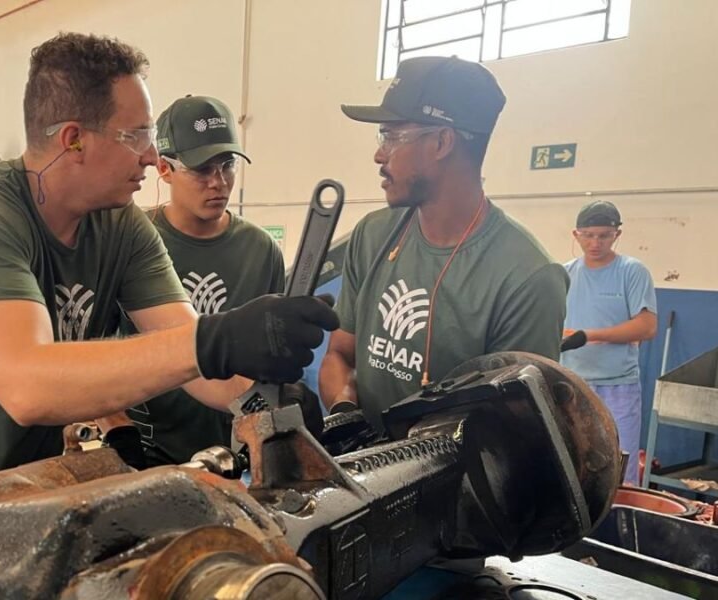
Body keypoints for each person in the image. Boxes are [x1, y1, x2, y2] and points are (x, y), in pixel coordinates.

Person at [0, 33, 337, 500]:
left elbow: (189, 355)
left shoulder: (122, 226)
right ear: (74, 140)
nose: (151, 156)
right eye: (137, 135)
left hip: (10, 488)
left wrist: (264, 399)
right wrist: (216, 340)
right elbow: (26, 385)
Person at [319, 56, 568, 434]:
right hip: (361, 465)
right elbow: (340, 354)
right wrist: (346, 417)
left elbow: (513, 429)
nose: (379, 154)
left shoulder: (528, 278)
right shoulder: (372, 235)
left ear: (441, 142)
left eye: (392, 136)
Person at [116, 95, 287, 466]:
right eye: (202, 169)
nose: (218, 183)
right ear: (164, 168)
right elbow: (94, 350)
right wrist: (117, 429)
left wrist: (276, 406)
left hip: (235, 454)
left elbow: (268, 355)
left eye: (227, 166)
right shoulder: (129, 240)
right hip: (149, 453)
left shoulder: (261, 251)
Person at [562, 200, 657, 484]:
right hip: (571, 387)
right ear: (576, 234)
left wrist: (590, 335)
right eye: (588, 235)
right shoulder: (564, 274)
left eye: (604, 235)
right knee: (571, 463)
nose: (595, 243)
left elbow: (647, 326)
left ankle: (619, 511)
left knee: (619, 467)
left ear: (617, 234)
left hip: (618, 387)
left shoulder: (632, 271)